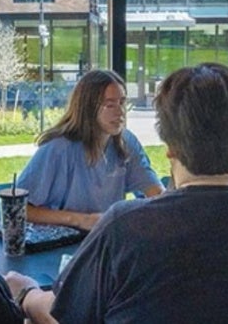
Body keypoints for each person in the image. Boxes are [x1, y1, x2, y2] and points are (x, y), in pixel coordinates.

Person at [6, 63, 228, 324]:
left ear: (169, 147)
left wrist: (25, 293)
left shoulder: (124, 227)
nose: (119, 112)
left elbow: (64, 316)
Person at [14, 69, 163, 231]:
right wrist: (80, 220)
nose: (120, 112)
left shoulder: (126, 141)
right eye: (109, 105)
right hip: (62, 242)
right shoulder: (59, 148)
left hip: (105, 239)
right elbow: (18, 209)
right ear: (88, 108)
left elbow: (155, 193)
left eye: (122, 102)